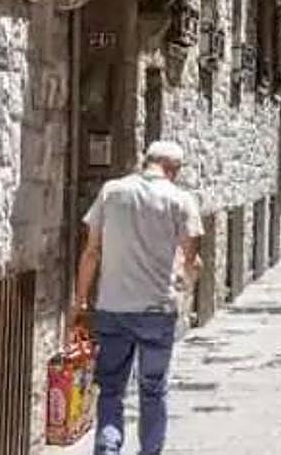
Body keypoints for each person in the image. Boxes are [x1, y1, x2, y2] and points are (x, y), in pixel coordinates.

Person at [69, 140, 203, 455]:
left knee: (111, 390)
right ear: (173, 169)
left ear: (148, 161)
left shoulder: (112, 192)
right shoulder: (180, 199)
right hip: (157, 311)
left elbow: (91, 252)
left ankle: (107, 449)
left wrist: (80, 300)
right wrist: (185, 281)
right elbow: (192, 257)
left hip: (113, 308)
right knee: (153, 390)